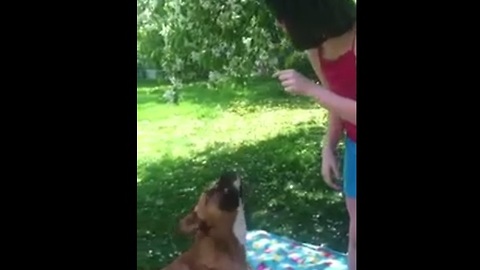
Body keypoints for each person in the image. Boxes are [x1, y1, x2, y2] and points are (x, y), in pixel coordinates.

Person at [265, 0, 357, 269]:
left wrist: (310, 89)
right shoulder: (315, 49)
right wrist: (327, 147)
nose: (280, 24)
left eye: (283, 15)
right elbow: (334, 102)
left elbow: (324, 95)